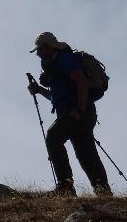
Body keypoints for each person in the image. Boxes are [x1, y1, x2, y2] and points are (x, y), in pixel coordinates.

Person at [26, 32, 112, 197]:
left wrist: (79, 110)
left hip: (78, 112)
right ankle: (103, 192)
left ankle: (65, 187)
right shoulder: (55, 66)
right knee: (86, 153)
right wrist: (39, 90)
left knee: (53, 137)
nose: (38, 54)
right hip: (80, 112)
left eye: (40, 49)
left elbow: (80, 80)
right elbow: (57, 97)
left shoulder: (63, 60)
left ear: (49, 46)